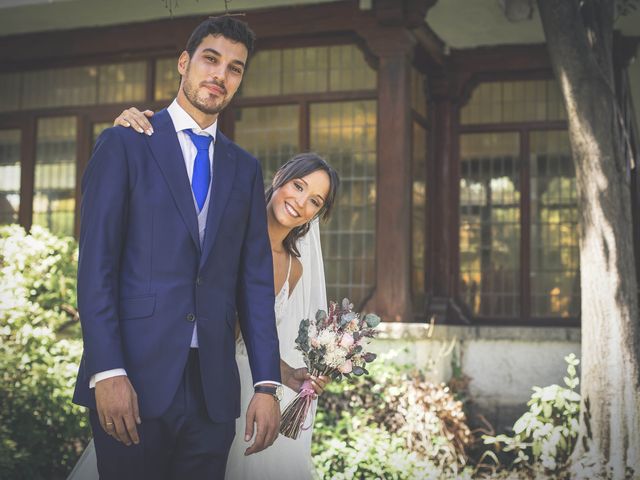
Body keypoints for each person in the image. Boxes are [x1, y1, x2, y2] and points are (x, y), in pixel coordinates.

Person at [72, 16, 283, 480]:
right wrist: (106, 372)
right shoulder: (124, 144)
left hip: (212, 389)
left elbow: (253, 281)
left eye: (234, 68)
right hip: (133, 378)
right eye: (210, 59)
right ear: (184, 63)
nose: (219, 75)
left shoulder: (244, 168)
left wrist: (267, 385)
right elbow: (96, 269)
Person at [69, 149, 340, 480]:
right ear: (280, 177)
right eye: (298, 186)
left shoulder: (293, 268)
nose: (301, 202)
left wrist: (284, 374)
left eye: (315, 201)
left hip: (235, 393)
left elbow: (246, 334)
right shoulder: (223, 226)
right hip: (174, 375)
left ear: (318, 215)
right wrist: (133, 129)